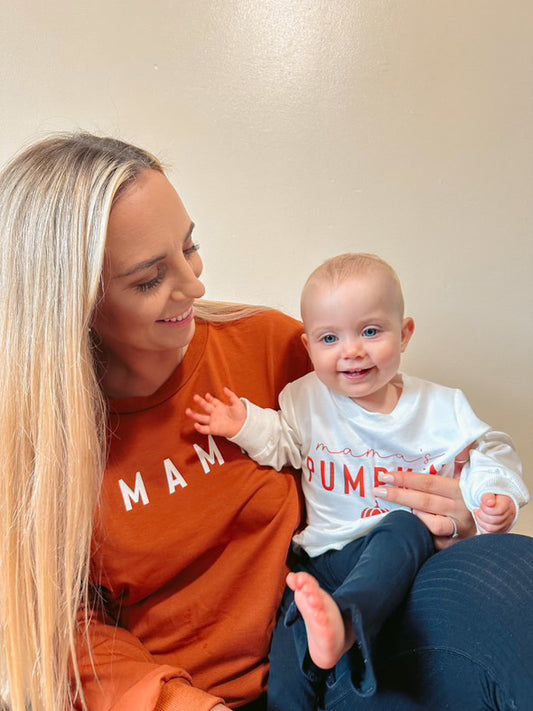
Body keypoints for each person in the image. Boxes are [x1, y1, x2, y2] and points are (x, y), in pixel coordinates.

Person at [0, 134, 532, 711]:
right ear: (73, 303)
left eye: (190, 246)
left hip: (348, 642)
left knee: (505, 570)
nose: (197, 285)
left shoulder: (271, 346)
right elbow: (64, 634)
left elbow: (381, 453)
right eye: (149, 279)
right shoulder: (35, 443)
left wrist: (458, 515)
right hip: (199, 696)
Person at [186, 253, 529, 709]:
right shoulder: (306, 398)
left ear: (404, 334)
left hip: (400, 555)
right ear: (309, 347)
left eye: (370, 331)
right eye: (330, 338)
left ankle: (349, 622)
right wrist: (243, 423)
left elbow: (489, 450)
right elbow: (283, 441)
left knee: (402, 525)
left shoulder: (439, 408)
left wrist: (493, 495)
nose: (351, 351)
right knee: (293, 619)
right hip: (325, 557)